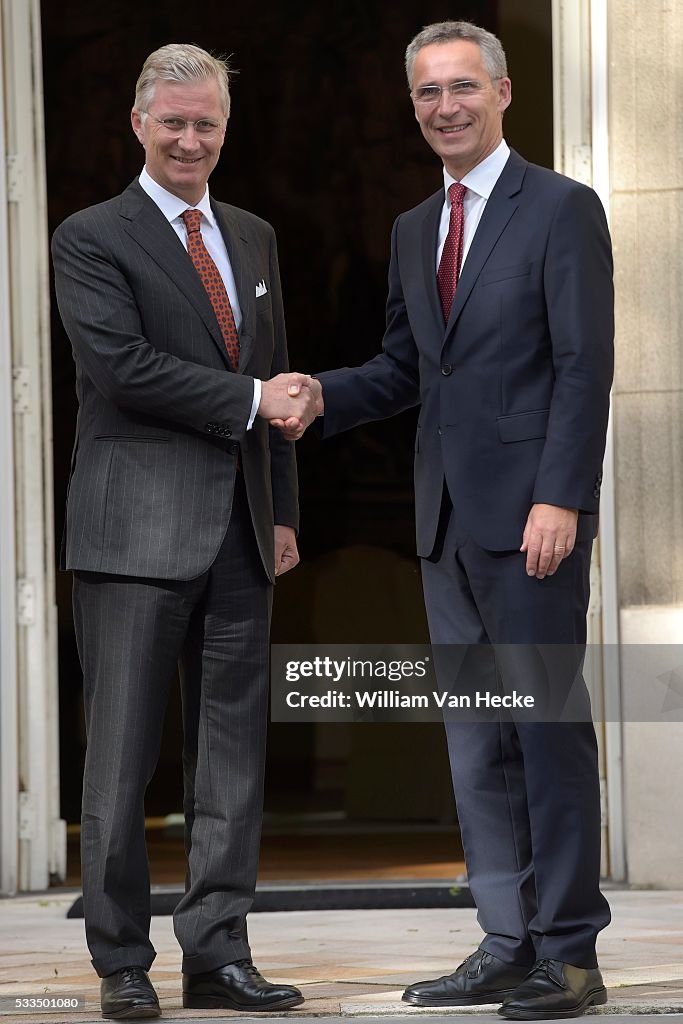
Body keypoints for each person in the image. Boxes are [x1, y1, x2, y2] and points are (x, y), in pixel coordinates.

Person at [303, 19, 614, 1022]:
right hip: (442, 524)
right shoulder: (410, 228)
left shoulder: (560, 210)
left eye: (461, 87)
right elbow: (406, 369)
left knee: (544, 736)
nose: (445, 106)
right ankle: (503, 939)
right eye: (428, 92)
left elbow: (581, 363)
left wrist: (559, 495)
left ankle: (567, 953)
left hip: (530, 524)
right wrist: (319, 396)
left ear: (503, 92)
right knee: (476, 744)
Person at [52, 43, 320, 1020]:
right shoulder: (90, 236)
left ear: (224, 125)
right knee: (121, 762)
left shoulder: (250, 234)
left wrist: (283, 509)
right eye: (173, 122)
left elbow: (280, 382)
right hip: (131, 531)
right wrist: (252, 396)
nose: (190, 138)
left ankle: (218, 954)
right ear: (138, 123)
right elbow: (123, 369)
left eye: (206, 122)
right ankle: (121, 961)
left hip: (243, 533)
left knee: (231, 763)